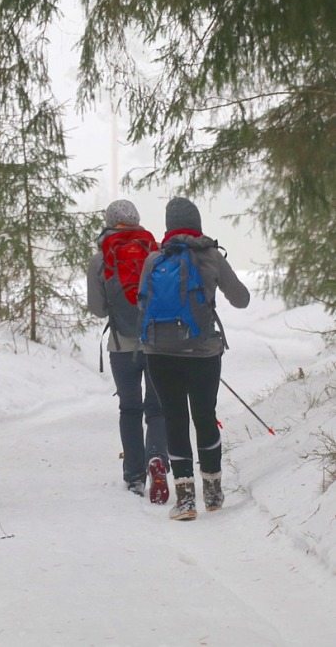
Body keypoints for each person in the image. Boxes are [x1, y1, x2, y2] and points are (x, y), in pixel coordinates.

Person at [138, 197, 250, 521]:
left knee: (174, 418)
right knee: (204, 415)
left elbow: (141, 306)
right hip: (202, 352)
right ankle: (213, 491)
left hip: (159, 353)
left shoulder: (153, 260)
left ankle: (185, 500)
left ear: (168, 226)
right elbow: (241, 299)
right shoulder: (211, 256)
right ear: (198, 223)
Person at [87, 199, 170, 503]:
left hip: (121, 345)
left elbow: (96, 309)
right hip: (157, 342)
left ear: (109, 222)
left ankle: (134, 476)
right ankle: (158, 459)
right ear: (137, 220)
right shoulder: (156, 251)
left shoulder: (100, 259)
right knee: (158, 409)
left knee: (130, 409)